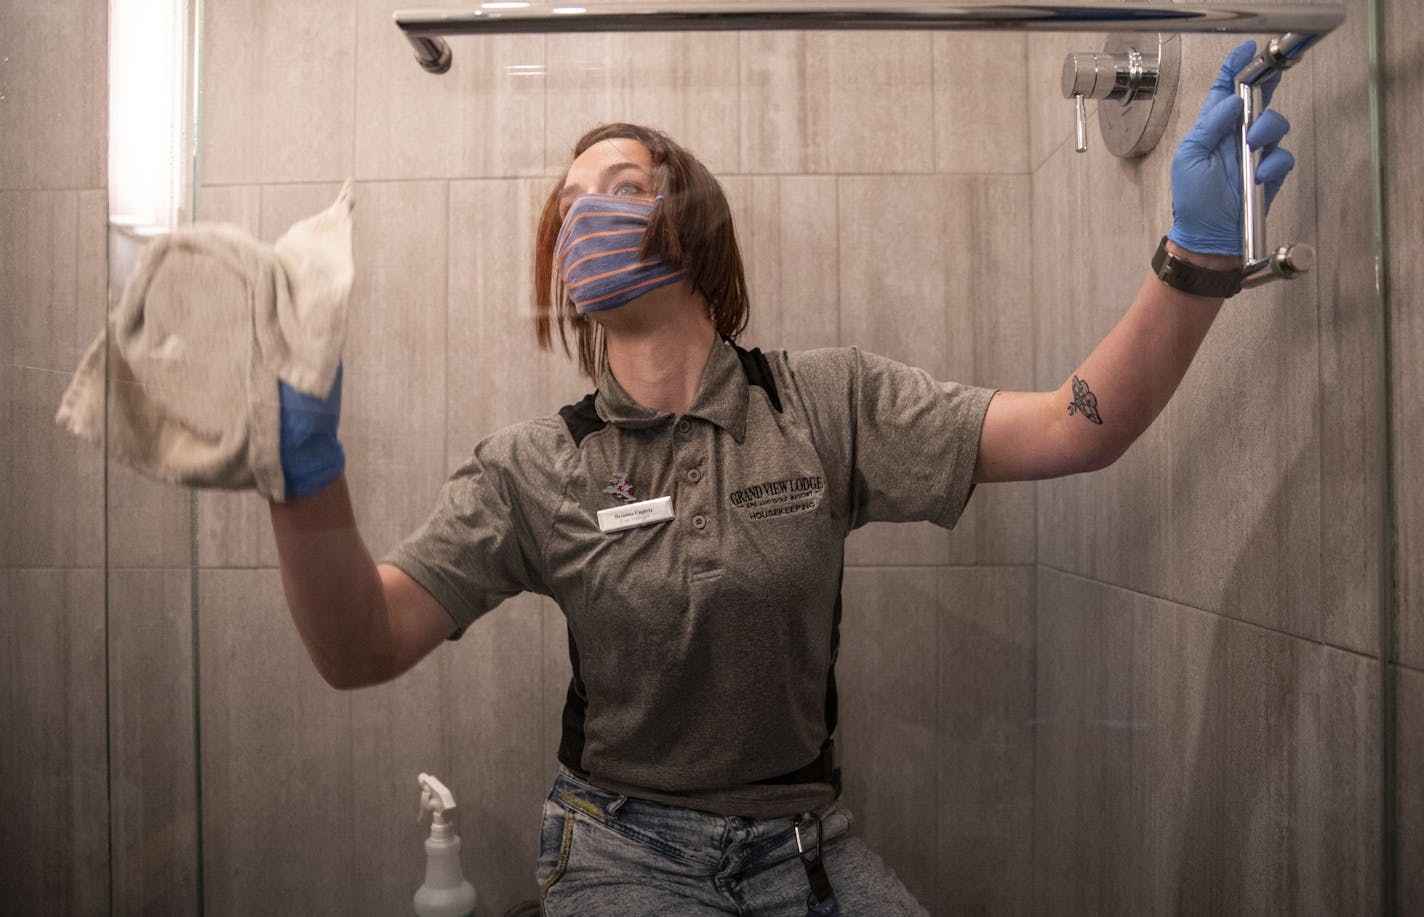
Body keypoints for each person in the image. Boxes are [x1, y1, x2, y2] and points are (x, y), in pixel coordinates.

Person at [269, 41, 1293, 915]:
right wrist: (300, 476)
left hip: (804, 848)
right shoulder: (533, 466)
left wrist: (1193, 261)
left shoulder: (826, 402)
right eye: (568, 203)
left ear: (694, 222)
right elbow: (364, 644)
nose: (584, 216)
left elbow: (1080, 425)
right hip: (617, 848)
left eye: (622, 189)